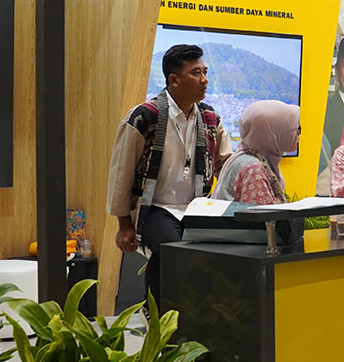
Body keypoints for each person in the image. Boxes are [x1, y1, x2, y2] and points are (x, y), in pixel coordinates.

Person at [107, 44, 232, 307]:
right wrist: (124, 225)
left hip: (197, 207)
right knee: (171, 252)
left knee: (209, 260)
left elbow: (226, 163)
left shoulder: (211, 118)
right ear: (174, 80)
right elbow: (122, 173)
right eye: (196, 73)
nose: (204, 80)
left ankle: (192, 315)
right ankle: (156, 312)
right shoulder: (143, 117)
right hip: (155, 207)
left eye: (205, 72)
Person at [211, 101, 300, 205]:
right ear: (274, 132)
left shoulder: (247, 158)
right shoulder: (253, 169)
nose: (298, 135)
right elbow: (262, 213)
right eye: (297, 129)